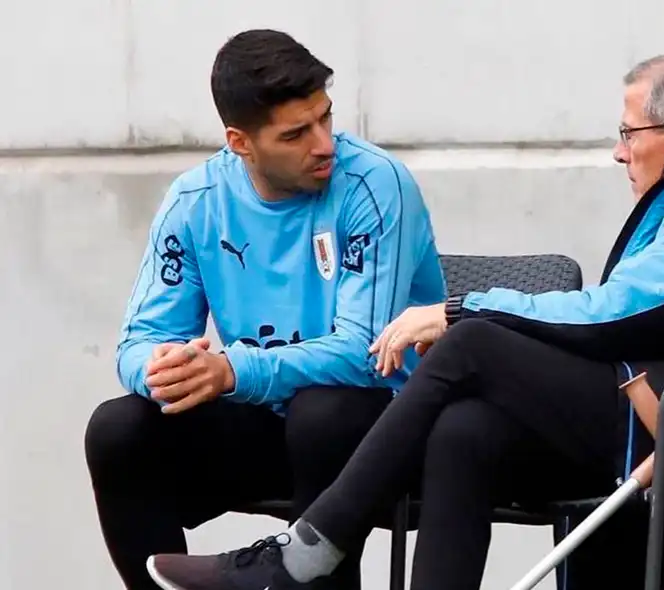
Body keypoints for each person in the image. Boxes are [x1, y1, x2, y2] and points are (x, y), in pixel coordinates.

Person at [145, 48, 664, 590]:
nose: (618, 150)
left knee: (473, 341)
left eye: (628, 132)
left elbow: (613, 316)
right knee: (468, 428)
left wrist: (461, 309)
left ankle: (305, 554)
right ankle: (313, 555)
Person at [83, 29, 447, 590]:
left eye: (325, 118)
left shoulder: (375, 184)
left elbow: (364, 353)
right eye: (296, 134)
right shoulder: (195, 201)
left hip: (383, 428)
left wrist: (232, 370)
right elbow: (139, 340)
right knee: (117, 430)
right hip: (268, 423)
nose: (323, 144)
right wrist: (165, 370)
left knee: (322, 413)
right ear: (240, 142)